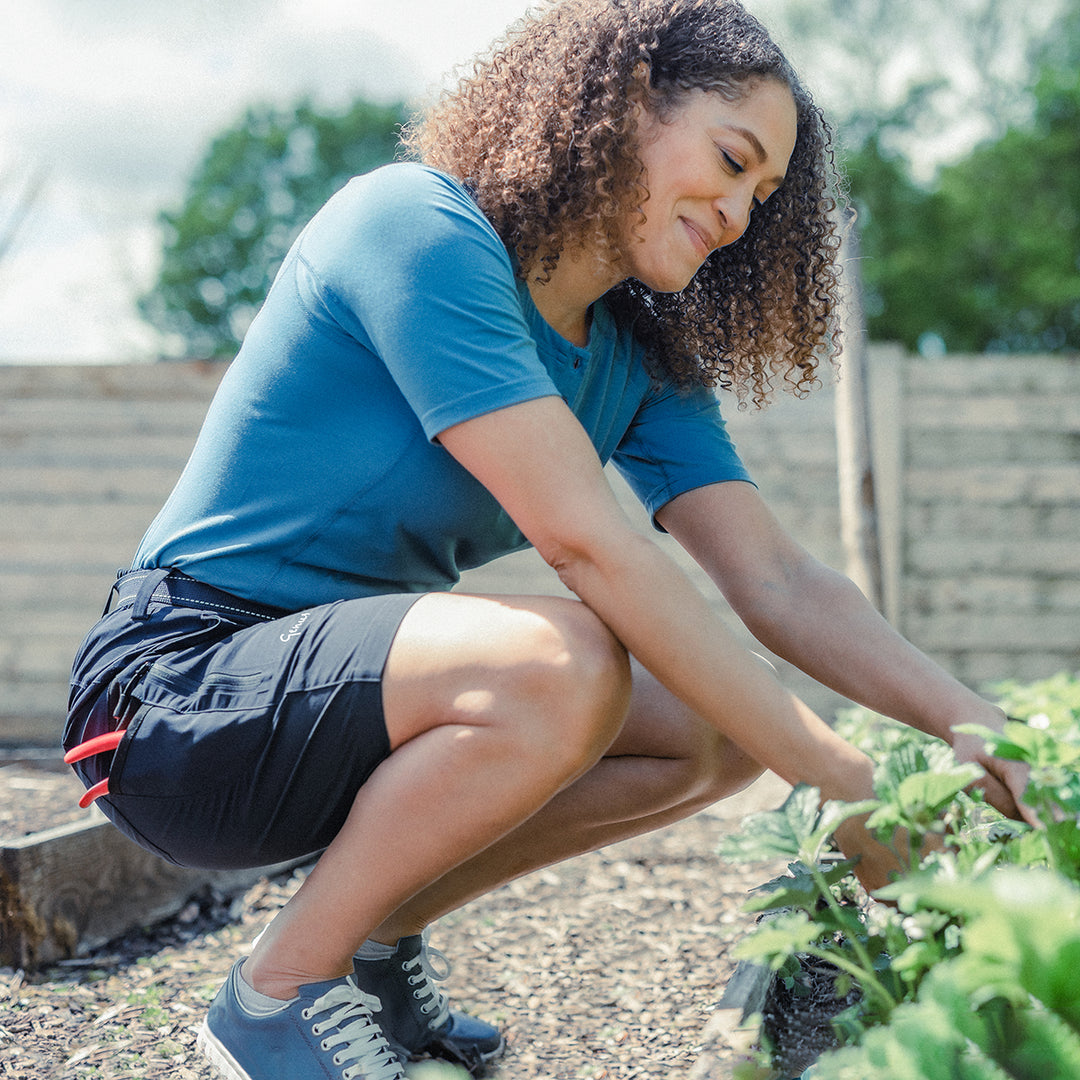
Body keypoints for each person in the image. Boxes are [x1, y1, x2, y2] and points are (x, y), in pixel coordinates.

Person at [64, 2, 1033, 1078]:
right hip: (174, 701)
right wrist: (837, 777)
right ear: (624, 99)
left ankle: (368, 949)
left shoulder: (638, 355)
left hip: (343, 709)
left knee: (713, 725)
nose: (742, 216)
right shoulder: (415, 229)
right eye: (729, 159)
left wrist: (982, 728)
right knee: (568, 662)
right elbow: (588, 547)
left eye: (764, 197)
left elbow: (778, 578)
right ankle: (276, 997)